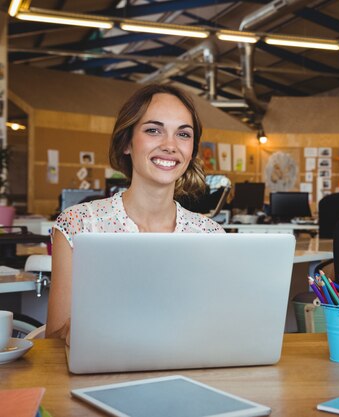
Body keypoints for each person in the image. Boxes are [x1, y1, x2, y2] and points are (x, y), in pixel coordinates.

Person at [47, 84, 224, 339]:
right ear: (126, 142)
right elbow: (52, 342)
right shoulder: (79, 224)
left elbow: (217, 331)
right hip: (102, 375)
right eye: (154, 130)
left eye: (183, 134)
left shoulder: (210, 235)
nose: (170, 145)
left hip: (188, 371)